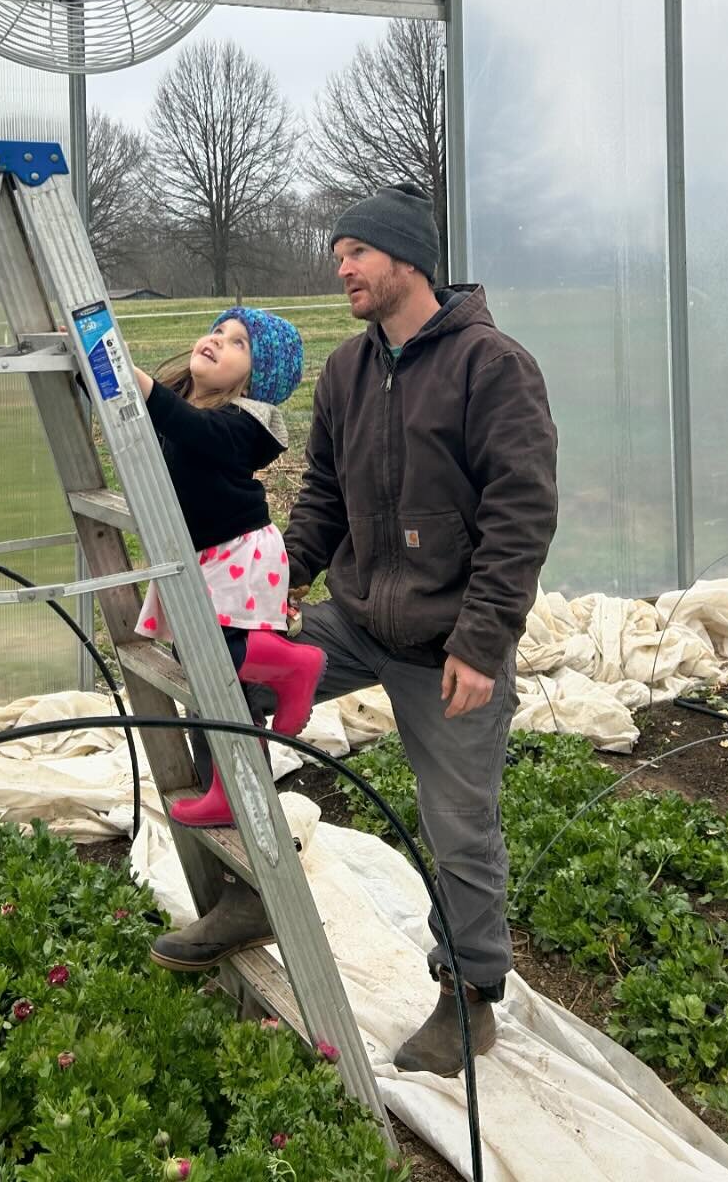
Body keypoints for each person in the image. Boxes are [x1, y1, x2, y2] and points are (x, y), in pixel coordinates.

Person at [152, 181, 559, 1077]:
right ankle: (250, 894)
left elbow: (520, 514)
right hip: (360, 618)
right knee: (223, 683)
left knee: (458, 824)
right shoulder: (347, 369)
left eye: (356, 253)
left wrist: (483, 643)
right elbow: (326, 493)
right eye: (338, 255)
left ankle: (468, 995)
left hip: (452, 641)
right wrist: (289, 576)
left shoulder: (491, 367)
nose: (341, 268)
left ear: (407, 257)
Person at [130, 307, 325, 827]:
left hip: (241, 553)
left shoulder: (242, 425)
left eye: (238, 342)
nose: (217, 340)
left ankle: (292, 665)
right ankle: (231, 790)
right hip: (205, 554)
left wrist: (133, 377)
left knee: (215, 659)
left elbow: (187, 425)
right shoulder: (190, 402)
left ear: (253, 380)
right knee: (223, 698)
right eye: (218, 331)